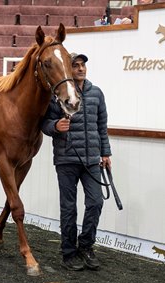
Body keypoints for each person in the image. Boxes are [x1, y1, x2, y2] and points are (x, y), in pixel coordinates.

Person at [41, 53, 112, 271]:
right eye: (76, 65)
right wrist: (55, 127)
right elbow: (44, 123)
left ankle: (86, 246)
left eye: (83, 65)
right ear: (69, 70)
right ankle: (69, 252)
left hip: (92, 160)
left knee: (96, 203)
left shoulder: (97, 94)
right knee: (68, 208)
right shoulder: (56, 96)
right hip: (66, 160)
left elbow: (102, 127)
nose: (81, 69)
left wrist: (106, 153)